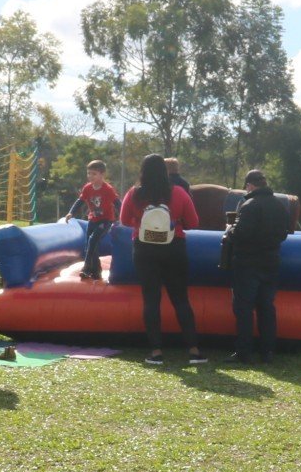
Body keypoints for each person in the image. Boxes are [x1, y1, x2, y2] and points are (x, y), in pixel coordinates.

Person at [119, 153, 204, 365]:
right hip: (174, 248)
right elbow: (194, 222)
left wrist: (142, 223)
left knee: (151, 300)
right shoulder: (178, 192)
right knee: (181, 300)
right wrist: (175, 223)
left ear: (143, 171)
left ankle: (156, 352)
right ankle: (194, 350)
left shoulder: (134, 194)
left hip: (144, 250)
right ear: (165, 172)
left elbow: (123, 220)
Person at [228, 168, 291, 364]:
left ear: (249, 185)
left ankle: (244, 352)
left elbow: (241, 234)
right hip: (271, 261)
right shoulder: (279, 206)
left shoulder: (249, 205)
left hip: (247, 262)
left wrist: (230, 231)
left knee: (244, 308)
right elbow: (283, 234)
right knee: (266, 307)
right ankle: (267, 351)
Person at [74, 159, 119, 281]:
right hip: (93, 220)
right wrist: (71, 213)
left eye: (94, 174)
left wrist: (122, 218)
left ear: (102, 175)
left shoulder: (107, 189)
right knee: (89, 243)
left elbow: (117, 203)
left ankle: (86, 268)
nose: (90, 176)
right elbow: (80, 201)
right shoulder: (87, 188)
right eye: (89, 173)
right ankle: (96, 271)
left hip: (105, 220)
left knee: (93, 240)